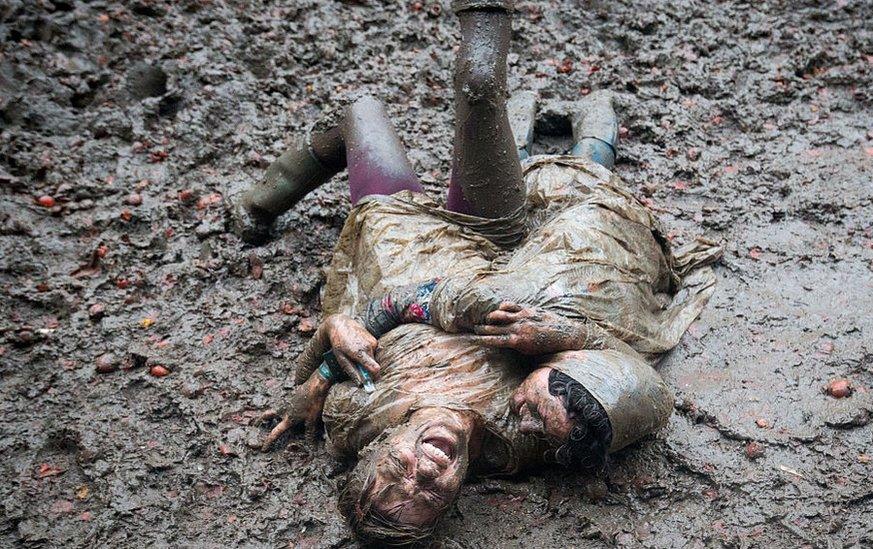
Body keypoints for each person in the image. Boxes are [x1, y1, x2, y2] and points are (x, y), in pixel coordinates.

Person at [235, 0, 720, 543]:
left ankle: (256, 204)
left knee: (364, 114)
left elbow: (343, 344)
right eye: (434, 492)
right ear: (458, 493)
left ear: (375, 451)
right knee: (568, 188)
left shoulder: (359, 416)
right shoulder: (519, 436)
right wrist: (557, 335)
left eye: (398, 471)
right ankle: (561, 110)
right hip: (494, 243)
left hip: (403, 248)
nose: (425, 470)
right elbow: (618, 372)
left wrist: (327, 350)